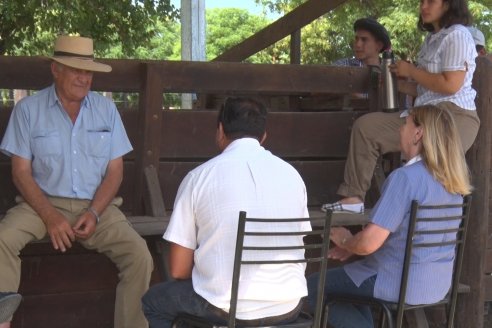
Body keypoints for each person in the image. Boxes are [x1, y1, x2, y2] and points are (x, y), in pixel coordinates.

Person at [0, 35, 153, 328]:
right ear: (56, 69)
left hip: (98, 206)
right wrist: (50, 215)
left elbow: (115, 172)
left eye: (88, 72)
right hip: (39, 205)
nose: (84, 78)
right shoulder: (28, 110)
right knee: (2, 240)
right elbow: (20, 171)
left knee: (139, 256)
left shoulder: (106, 109)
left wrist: (94, 213)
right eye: (76, 70)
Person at [142, 97, 310, 328]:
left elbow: (179, 270)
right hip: (288, 306)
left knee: (154, 302)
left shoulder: (199, 178)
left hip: (226, 309)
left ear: (220, 130)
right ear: (263, 136)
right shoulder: (293, 176)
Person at [308, 105, 471, 328]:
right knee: (352, 284)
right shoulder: (453, 181)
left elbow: (368, 245)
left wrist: (347, 240)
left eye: (405, 124)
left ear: (418, 133)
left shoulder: (405, 178)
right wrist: (353, 247)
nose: (399, 130)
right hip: (438, 283)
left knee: (310, 287)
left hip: (398, 281)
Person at [322, 0, 479, 214]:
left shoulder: (458, 35)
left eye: (430, 1)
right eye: (422, 1)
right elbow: (428, 89)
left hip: (452, 117)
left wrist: (412, 71)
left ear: (450, 4)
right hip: (424, 115)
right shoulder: (431, 39)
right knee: (367, 128)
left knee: (433, 177)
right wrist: (400, 84)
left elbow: (451, 85)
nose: (423, 6)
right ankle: (353, 198)